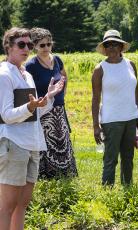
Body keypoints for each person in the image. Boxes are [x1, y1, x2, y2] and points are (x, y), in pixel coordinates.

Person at [0, 27, 64, 230]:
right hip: (13, 144)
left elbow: (35, 113)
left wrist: (49, 97)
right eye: (21, 44)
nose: (26, 48)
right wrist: (29, 106)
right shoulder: (4, 75)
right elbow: (6, 116)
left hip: (32, 144)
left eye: (29, 44)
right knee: (7, 206)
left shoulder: (26, 74)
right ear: (8, 46)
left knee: (22, 205)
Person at [92, 29, 138, 186]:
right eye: (108, 45)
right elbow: (95, 99)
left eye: (115, 44)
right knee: (111, 159)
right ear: (104, 48)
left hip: (130, 119)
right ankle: (108, 192)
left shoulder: (130, 65)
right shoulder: (99, 69)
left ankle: (128, 188)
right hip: (111, 120)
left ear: (121, 47)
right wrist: (96, 125)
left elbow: (136, 91)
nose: (112, 48)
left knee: (128, 158)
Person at [25, 27, 77, 179]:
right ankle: (47, 180)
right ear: (34, 46)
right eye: (42, 45)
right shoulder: (31, 65)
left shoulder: (57, 60)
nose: (46, 48)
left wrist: (62, 96)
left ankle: (66, 176)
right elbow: (28, 90)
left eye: (49, 44)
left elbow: (64, 77)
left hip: (59, 109)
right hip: (43, 110)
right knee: (46, 145)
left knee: (63, 142)